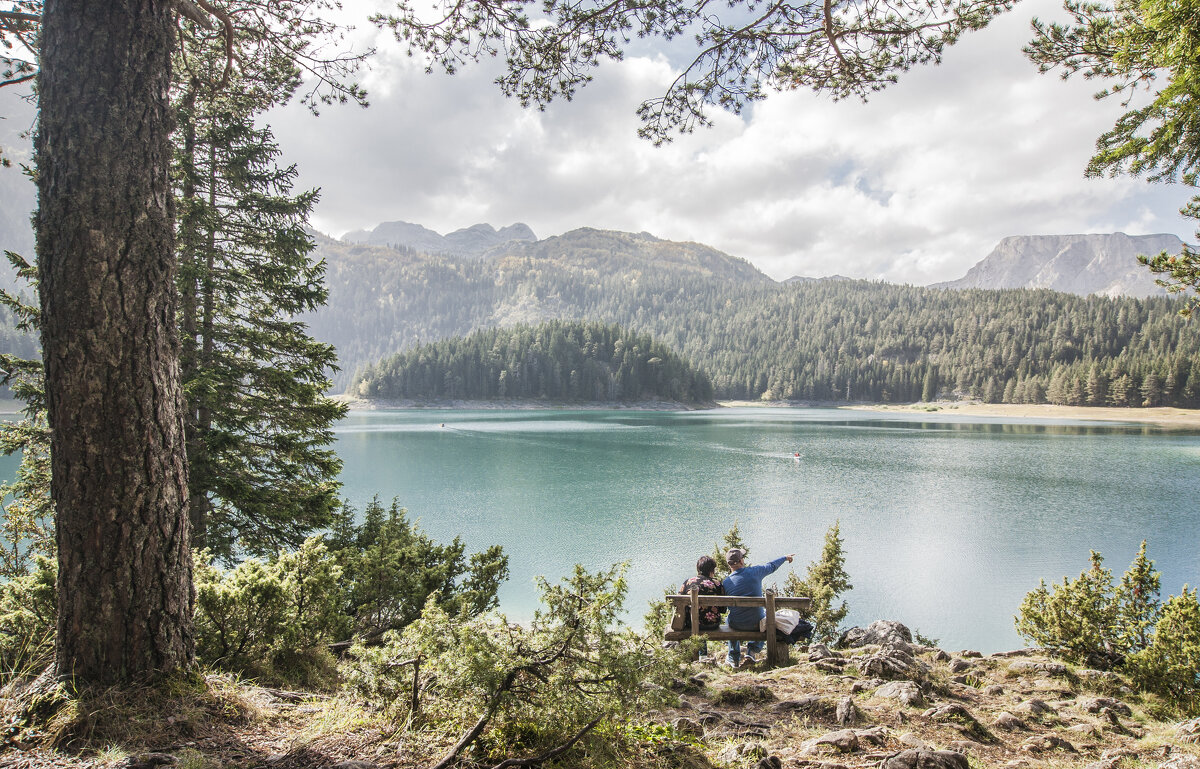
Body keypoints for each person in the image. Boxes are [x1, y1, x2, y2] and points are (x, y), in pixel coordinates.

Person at [722, 547, 794, 668]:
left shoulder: (726, 582)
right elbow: (771, 566)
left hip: (736, 625)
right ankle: (752, 651)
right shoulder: (755, 571)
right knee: (765, 616)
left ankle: (733, 657)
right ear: (741, 561)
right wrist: (785, 558)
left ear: (729, 564)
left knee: (728, 619)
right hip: (757, 625)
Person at [679, 555, 726, 631]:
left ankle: (701, 643)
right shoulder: (717, 584)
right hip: (713, 624)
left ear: (698, 569)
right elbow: (723, 609)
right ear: (712, 570)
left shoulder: (688, 582)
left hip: (690, 623)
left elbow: (679, 603)